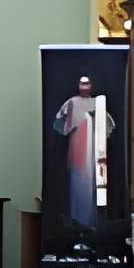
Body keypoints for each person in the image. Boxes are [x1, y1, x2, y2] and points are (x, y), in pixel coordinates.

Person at [51, 74, 112, 236]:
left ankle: (91, 223)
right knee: (77, 184)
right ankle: (76, 221)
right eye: (82, 84)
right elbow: (60, 124)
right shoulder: (72, 103)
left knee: (92, 185)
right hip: (77, 151)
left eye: (88, 84)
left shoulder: (97, 102)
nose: (85, 87)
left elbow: (107, 127)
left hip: (94, 153)